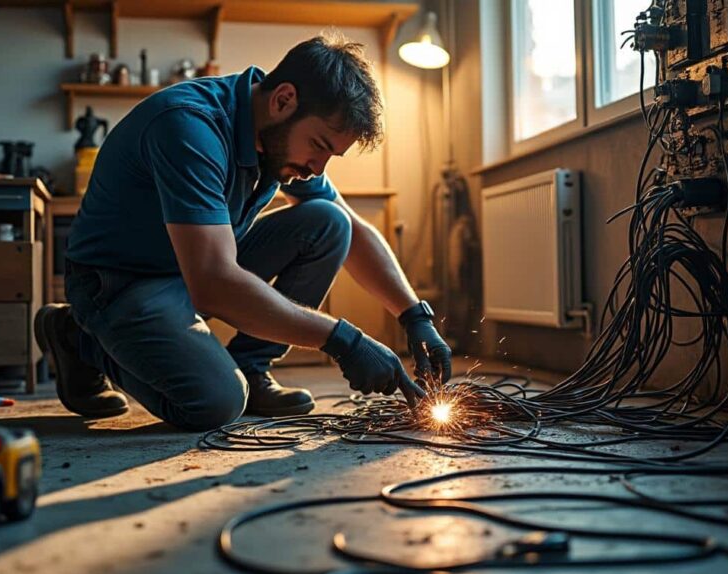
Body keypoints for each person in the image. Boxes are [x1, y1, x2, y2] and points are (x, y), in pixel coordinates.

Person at [34, 35, 452, 431]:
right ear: (284, 99)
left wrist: (414, 316)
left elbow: (354, 231)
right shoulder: (190, 127)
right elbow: (213, 285)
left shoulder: (272, 136)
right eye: (319, 145)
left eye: (331, 154)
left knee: (328, 222)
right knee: (214, 402)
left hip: (193, 267)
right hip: (120, 283)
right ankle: (78, 337)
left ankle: (253, 366)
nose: (318, 167)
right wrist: (341, 339)